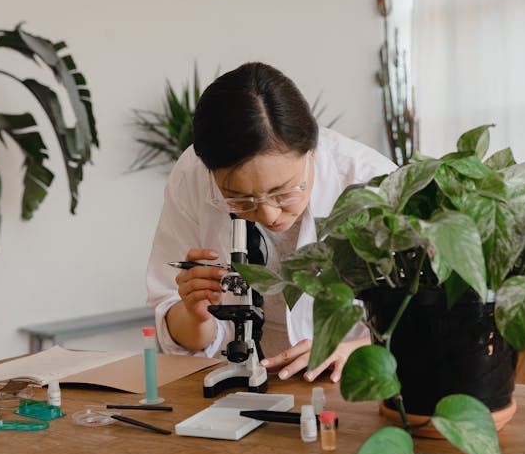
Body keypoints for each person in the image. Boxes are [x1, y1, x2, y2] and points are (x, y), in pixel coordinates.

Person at [146, 62, 395, 383]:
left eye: (283, 192)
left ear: (312, 152)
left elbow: (426, 319)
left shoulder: (369, 182)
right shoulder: (192, 176)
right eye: (240, 198)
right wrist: (194, 313)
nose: (269, 215)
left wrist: (358, 348)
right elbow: (179, 330)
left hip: (346, 385)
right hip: (239, 382)